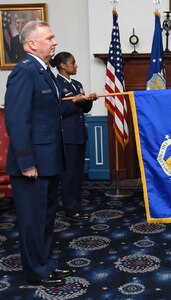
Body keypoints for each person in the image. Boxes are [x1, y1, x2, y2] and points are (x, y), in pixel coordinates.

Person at [4, 21, 72, 287]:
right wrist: (26, 162)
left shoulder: (44, 72)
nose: (55, 42)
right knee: (32, 221)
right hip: (32, 164)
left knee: (45, 218)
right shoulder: (24, 72)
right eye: (50, 38)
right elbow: (17, 120)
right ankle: (35, 272)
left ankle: (44, 264)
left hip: (48, 161)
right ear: (32, 43)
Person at [50, 52, 97, 221]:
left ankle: (76, 205)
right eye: (73, 62)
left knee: (78, 174)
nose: (76, 65)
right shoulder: (55, 84)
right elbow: (57, 112)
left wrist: (89, 99)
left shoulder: (77, 84)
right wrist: (74, 102)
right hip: (66, 136)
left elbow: (85, 109)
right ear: (63, 65)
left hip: (79, 134)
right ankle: (71, 209)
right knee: (69, 175)